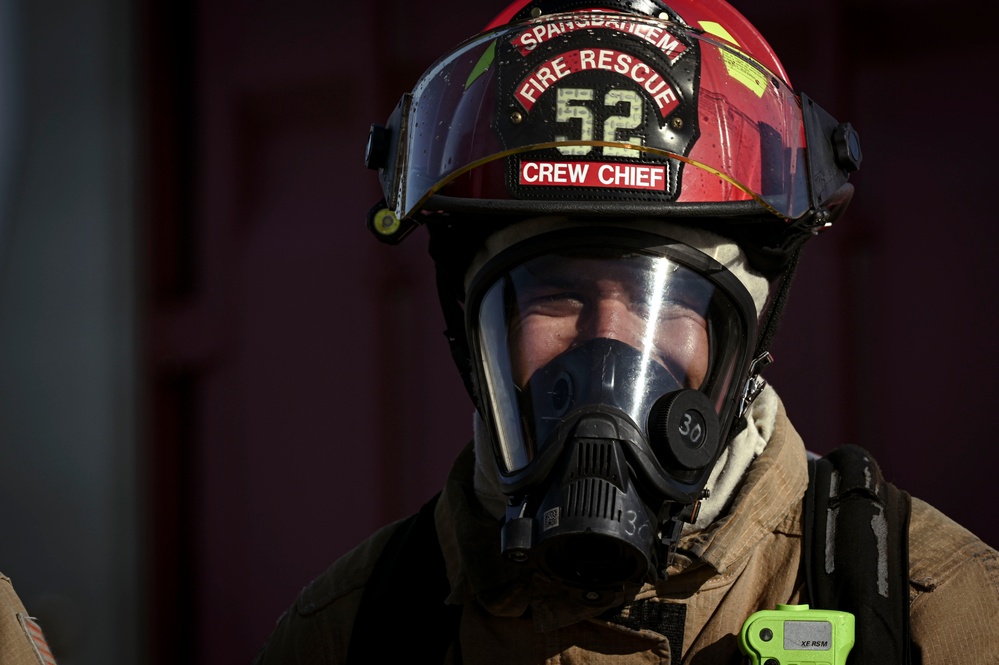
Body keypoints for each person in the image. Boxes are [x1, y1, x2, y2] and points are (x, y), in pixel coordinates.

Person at [255, 0, 999, 662]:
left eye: (665, 302)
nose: (609, 346)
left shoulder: (931, 611)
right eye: (553, 295)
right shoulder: (350, 631)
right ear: (472, 330)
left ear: (746, 338)